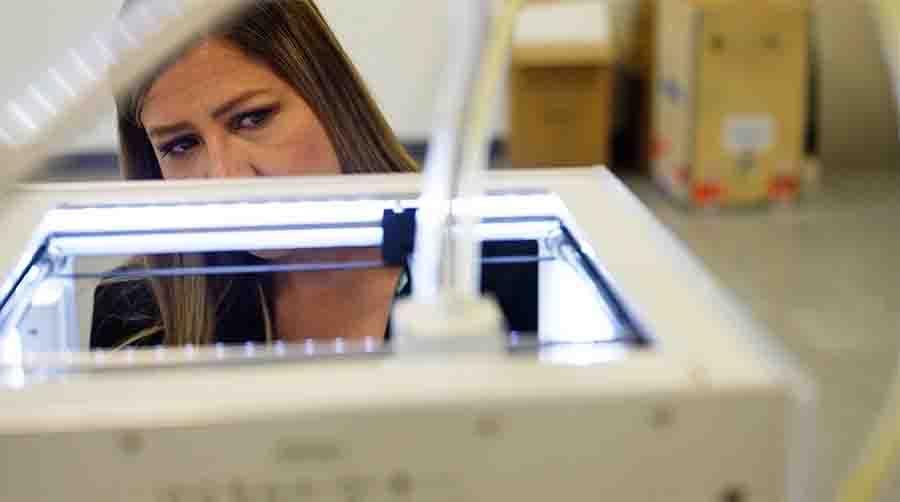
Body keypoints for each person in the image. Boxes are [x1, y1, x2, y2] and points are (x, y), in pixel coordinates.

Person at [91, 0, 418, 349]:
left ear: (328, 94)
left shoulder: (473, 266)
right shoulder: (132, 313)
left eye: (253, 118)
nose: (225, 177)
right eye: (182, 145)